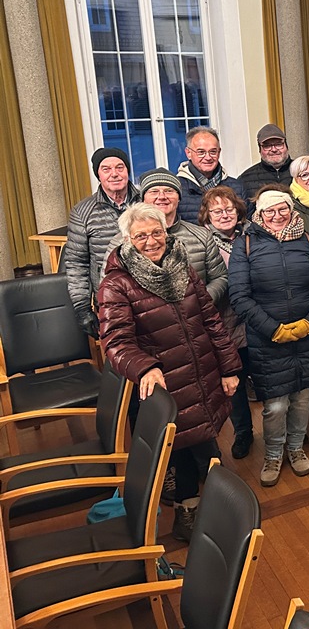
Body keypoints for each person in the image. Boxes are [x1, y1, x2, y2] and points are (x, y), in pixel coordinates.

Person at [98, 203, 240, 542]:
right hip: (166, 381)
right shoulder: (116, 285)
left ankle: (217, 508)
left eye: (156, 232)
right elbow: (116, 342)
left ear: (166, 232)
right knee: (183, 448)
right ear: (128, 240)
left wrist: (229, 367)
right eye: (141, 236)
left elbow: (211, 321)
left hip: (203, 373)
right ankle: (191, 511)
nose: (151, 241)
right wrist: (145, 367)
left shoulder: (183, 267)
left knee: (205, 438)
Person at [229, 186, 309, 487]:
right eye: (270, 211)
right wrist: (272, 329)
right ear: (260, 214)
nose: (277, 215)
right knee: (275, 404)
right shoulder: (245, 244)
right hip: (268, 339)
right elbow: (239, 295)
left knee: (302, 398)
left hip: (308, 334)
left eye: (283, 209)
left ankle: (296, 448)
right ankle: (273, 454)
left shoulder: (308, 240)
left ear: (291, 210)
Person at [111, 168, 228, 306]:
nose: (162, 196)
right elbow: (110, 288)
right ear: (143, 199)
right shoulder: (121, 241)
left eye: (169, 191)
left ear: (179, 198)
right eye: (154, 191)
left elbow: (220, 277)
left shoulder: (202, 236)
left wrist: (200, 302)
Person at [197, 185, 255, 461]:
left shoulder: (252, 233)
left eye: (228, 209)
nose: (224, 215)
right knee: (235, 382)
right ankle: (243, 432)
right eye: (216, 211)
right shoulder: (202, 241)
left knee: (265, 374)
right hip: (224, 320)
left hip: (256, 316)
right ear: (207, 215)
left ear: (238, 210)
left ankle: (279, 428)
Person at [66, 147, 141, 338]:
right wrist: (82, 308)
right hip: (109, 298)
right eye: (106, 169)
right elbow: (76, 264)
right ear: (98, 175)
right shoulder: (82, 211)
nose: (114, 174)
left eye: (120, 167)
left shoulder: (145, 201)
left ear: (128, 170)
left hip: (148, 295)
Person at [176, 127, 246, 224]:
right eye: (201, 152)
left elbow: (247, 224)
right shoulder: (176, 189)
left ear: (219, 152)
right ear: (188, 153)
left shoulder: (237, 187)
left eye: (213, 152)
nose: (208, 157)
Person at [239, 124, 293, 201]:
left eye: (278, 144)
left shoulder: (302, 171)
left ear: (286, 146)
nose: (274, 149)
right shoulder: (245, 179)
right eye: (267, 146)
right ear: (259, 150)